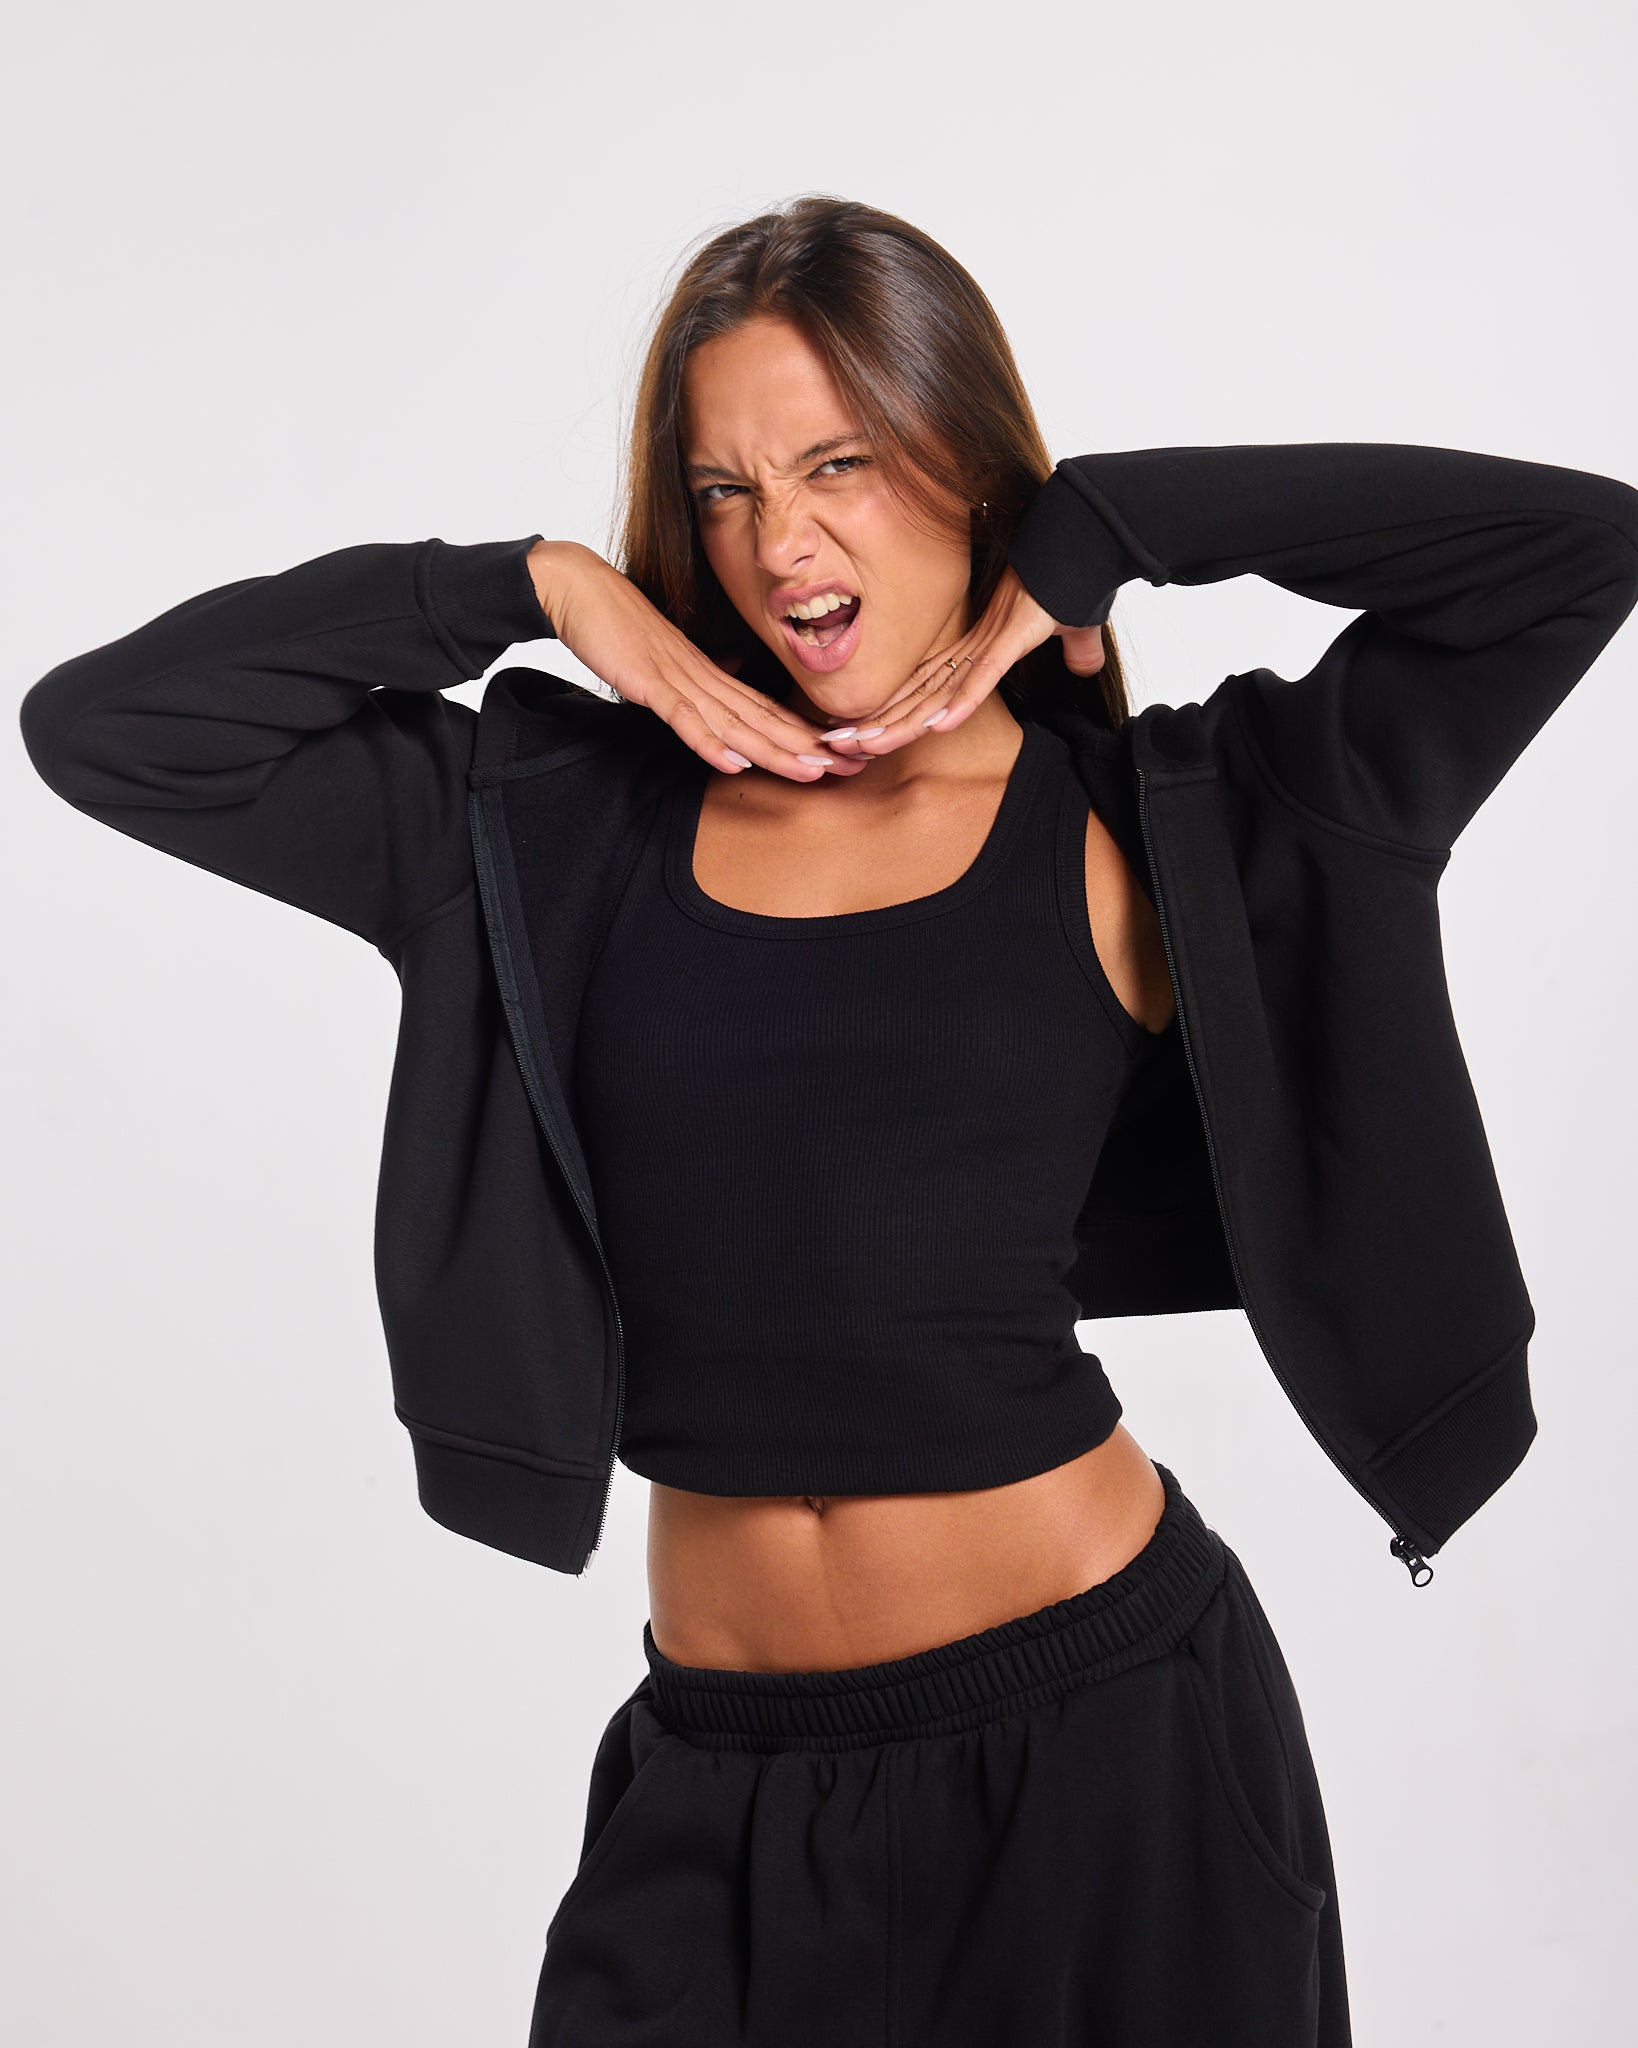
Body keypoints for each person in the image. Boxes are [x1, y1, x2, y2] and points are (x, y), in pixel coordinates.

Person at [20, 195, 1638, 2047]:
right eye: (721, 490)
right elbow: (111, 728)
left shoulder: (1162, 814)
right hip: (718, 1782)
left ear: (965, 465)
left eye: (839, 463)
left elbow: (1574, 551)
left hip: (1110, 1759)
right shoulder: (544, 823)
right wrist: (531, 588)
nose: (777, 540)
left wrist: (1110, 528)